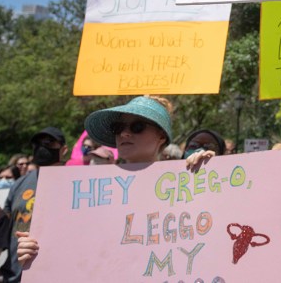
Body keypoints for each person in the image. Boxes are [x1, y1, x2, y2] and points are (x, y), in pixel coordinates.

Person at [17, 96, 176, 268]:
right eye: (118, 127)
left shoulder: (185, 186)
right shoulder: (82, 190)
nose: (124, 134)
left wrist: (202, 168)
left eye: (137, 126)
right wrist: (33, 249)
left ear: (161, 136)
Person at [1, 126, 68, 283]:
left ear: (63, 149)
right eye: (37, 143)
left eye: (49, 143)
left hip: (56, 273)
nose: (42, 147)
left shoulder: (75, 182)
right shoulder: (19, 184)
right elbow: (5, 221)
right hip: (15, 274)